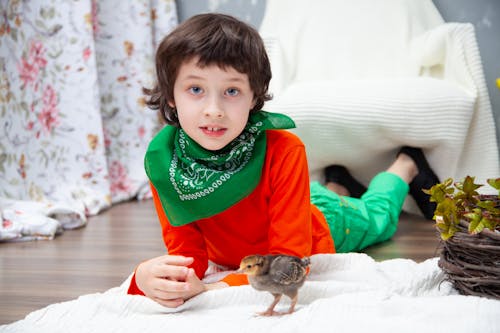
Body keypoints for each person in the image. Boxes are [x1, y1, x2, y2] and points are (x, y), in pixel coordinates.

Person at [127, 13, 439, 308]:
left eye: (232, 91)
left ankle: (405, 165)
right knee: (321, 198)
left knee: (377, 217)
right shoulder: (165, 161)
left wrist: (215, 289)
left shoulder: (285, 150)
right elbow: (187, 256)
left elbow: (287, 260)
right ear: (171, 95)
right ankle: (337, 183)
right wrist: (148, 279)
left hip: (321, 225)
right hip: (288, 207)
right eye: (195, 89)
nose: (214, 109)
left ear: (254, 96)